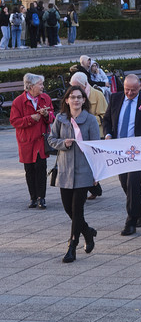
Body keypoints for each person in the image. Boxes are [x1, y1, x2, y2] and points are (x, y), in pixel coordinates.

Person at [48, 85, 101, 263]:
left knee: (77, 210)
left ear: (84, 100)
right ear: (67, 100)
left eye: (79, 97)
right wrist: (64, 143)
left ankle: (72, 246)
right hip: (64, 171)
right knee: (68, 209)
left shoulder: (90, 120)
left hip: (84, 172)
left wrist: (96, 174)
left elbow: (95, 148)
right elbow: (51, 139)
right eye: (73, 97)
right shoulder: (61, 119)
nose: (76, 100)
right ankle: (87, 231)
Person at [103, 74, 141, 235]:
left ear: (139, 87)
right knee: (124, 184)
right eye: (127, 89)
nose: (129, 93)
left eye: (133, 91)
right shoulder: (115, 98)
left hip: (138, 150)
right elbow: (107, 120)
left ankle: (131, 220)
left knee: (133, 184)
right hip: (119, 149)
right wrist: (107, 134)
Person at [11, 73, 55, 209]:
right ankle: (33, 197)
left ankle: (42, 198)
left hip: (41, 140)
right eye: (40, 84)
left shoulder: (45, 98)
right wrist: (30, 119)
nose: (43, 87)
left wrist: (47, 115)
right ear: (30, 86)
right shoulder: (18, 101)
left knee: (41, 167)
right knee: (29, 169)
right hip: (26, 141)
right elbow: (14, 121)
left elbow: (53, 116)